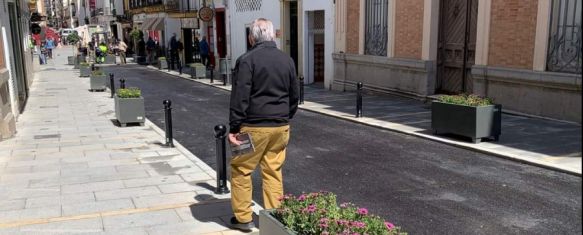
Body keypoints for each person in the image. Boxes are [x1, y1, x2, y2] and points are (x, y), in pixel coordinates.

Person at [227, 18, 299, 231]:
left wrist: (234, 127)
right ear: (273, 35)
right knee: (273, 171)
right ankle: (274, 218)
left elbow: (240, 95)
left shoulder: (247, 60)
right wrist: (286, 115)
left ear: (252, 37)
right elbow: (295, 94)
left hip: (253, 126)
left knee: (241, 169)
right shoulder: (287, 60)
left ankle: (243, 219)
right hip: (280, 126)